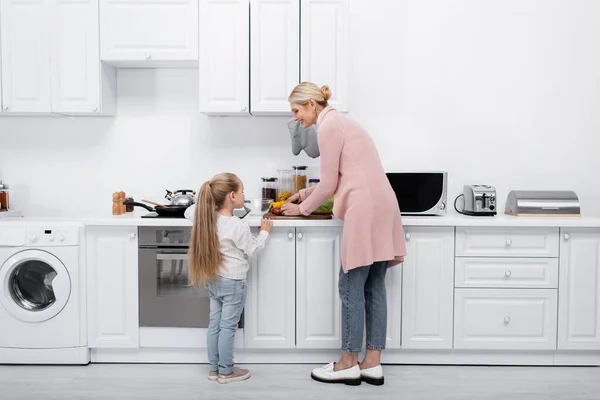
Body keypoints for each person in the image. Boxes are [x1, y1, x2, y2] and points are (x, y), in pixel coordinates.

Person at [282, 82, 406, 386]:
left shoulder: (328, 126)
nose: (297, 118)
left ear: (311, 104)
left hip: (364, 208)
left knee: (350, 283)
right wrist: (306, 194)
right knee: (374, 284)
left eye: (297, 111)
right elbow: (340, 176)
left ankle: (348, 362)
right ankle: (372, 364)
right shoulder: (343, 122)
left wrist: (302, 209)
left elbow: (329, 183)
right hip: (384, 203)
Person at [188, 173, 273, 384]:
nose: (245, 195)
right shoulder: (237, 225)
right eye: (242, 191)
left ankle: (214, 368)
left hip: (214, 280)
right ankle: (227, 371)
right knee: (228, 328)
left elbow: (190, 210)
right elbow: (252, 248)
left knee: (214, 325)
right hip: (233, 282)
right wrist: (264, 232)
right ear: (232, 196)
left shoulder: (206, 219)